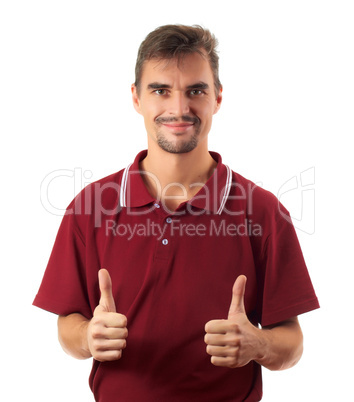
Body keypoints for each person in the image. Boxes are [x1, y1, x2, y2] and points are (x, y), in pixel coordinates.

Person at [33, 24, 319, 401]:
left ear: (217, 97)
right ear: (136, 98)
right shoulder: (89, 207)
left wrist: (259, 343)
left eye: (196, 91)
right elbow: (67, 325)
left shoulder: (264, 211)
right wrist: (88, 336)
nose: (179, 109)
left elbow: (292, 342)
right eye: (160, 90)